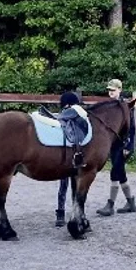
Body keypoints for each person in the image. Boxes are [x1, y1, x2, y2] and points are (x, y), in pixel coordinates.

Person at [96, 78, 136, 217]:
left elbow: (132, 128)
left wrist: (129, 146)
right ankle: (130, 202)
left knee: (115, 172)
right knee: (121, 174)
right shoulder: (110, 106)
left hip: (123, 145)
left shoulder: (125, 107)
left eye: (113, 90)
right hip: (113, 145)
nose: (110, 93)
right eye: (109, 91)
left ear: (119, 90)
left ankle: (110, 205)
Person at [54, 86, 83, 228]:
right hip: (67, 156)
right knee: (66, 184)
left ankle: (61, 212)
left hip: (66, 155)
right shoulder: (70, 118)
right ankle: (64, 212)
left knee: (64, 185)